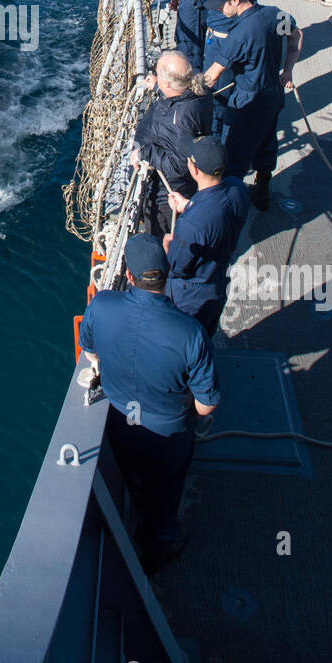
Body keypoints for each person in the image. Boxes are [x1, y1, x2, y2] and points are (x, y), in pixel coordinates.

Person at [79, 233, 220, 574]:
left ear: (129, 275)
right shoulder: (191, 333)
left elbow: (90, 352)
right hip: (169, 434)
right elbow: (206, 406)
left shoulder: (102, 305)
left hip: (120, 424)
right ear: (167, 271)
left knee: (135, 478)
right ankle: (157, 548)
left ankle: (138, 516)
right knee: (166, 490)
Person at [203, 0, 302, 209]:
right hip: (272, 94)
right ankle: (262, 190)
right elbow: (297, 37)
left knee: (234, 154)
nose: (219, 10)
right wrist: (287, 70)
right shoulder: (274, 15)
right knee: (267, 141)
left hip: (247, 101)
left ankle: (230, 206)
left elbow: (212, 76)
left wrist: (185, 91)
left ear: (235, 1)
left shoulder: (239, 35)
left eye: (221, 6)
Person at [163, 136, 250, 337]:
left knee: (185, 341)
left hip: (191, 296)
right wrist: (187, 205)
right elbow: (217, 210)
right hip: (218, 282)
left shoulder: (190, 224)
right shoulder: (238, 188)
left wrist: (169, 246)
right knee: (206, 335)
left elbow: (178, 266)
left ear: (194, 170)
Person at [125, 52, 213, 236]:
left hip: (166, 195)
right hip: (181, 185)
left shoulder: (178, 120)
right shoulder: (199, 91)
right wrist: (158, 86)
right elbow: (177, 96)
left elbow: (179, 165)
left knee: (162, 239)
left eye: (158, 74)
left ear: (168, 84)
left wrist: (144, 153)